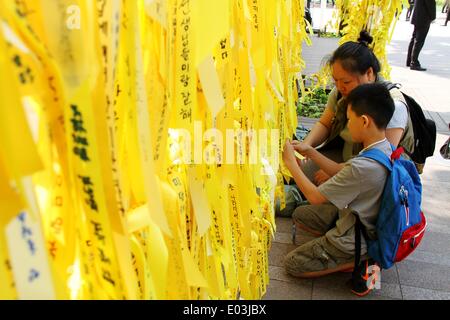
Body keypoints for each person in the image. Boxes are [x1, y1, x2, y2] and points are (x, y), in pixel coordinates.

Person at [282, 83, 395, 294]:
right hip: (363, 220)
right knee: (301, 214)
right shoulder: (382, 147)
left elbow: (315, 197)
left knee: (292, 263)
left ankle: (356, 259)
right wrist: (311, 151)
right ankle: (353, 252)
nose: (346, 125)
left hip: (356, 236)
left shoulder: (363, 166)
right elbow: (339, 170)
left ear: (364, 121)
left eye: (349, 120)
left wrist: (290, 164)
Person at [298, 31, 414, 188]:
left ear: (369, 74)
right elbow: (325, 124)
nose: (339, 87)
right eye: (335, 81)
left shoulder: (394, 106)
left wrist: (338, 172)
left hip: (376, 173)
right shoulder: (340, 92)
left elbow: (381, 161)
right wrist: (306, 146)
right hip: (346, 158)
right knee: (300, 169)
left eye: (346, 81)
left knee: (317, 195)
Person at [407, 0, 436, 71]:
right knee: (419, 40)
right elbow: (430, 3)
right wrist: (433, 17)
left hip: (417, 14)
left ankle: (409, 61)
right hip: (424, 17)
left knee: (414, 39)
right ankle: (414, 63)